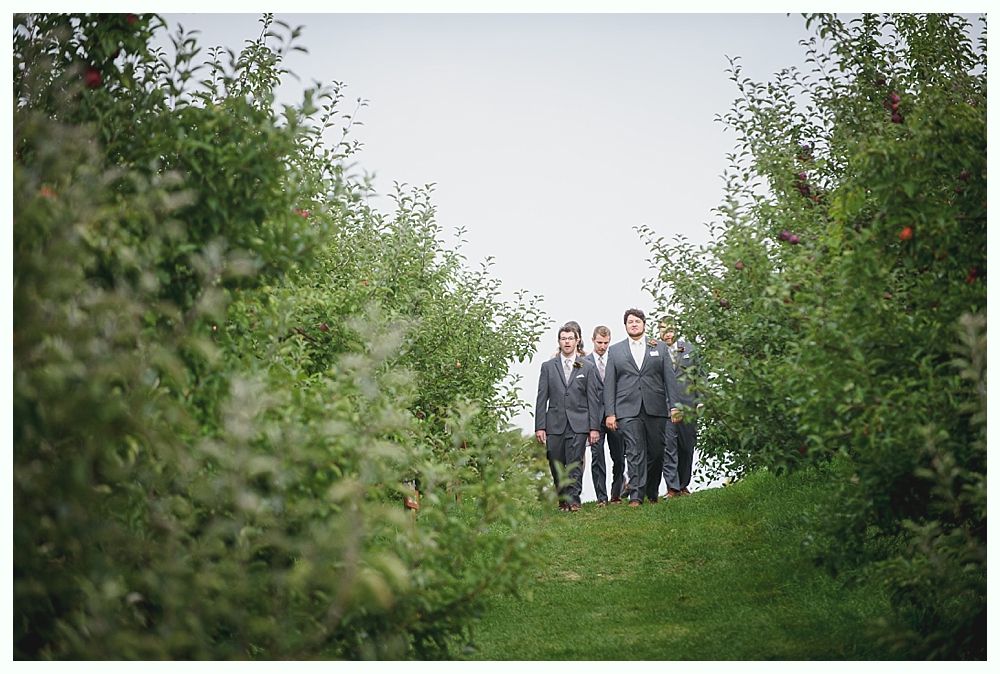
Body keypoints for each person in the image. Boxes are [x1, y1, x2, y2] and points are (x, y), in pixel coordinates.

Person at [603, 308, 681, 506]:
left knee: (656, 451)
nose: (634, 324)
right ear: (625, 326)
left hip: (655, 407)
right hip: (627, 409)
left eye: (637, 321)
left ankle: (652, 491)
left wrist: (674, 406)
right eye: (630, 322)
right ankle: (636, 495)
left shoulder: (660, 347)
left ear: (644, 324)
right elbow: (610, 384)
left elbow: (669, 380)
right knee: (634, 451)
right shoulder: (616, 350)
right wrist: (610, 413)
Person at [535, 324, 601, 512]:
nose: (567, 342)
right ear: (559, 341)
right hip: (554, 423)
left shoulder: (586, 367)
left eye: (570, 338)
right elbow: (541, 397)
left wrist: (594, 427)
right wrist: (539, 427)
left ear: (577, 340)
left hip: (579, 423)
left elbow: (592, 399)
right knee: (556, 462)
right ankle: (562, 498)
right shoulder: (548, 367)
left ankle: (574, 500)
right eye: (563, 338)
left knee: (574, 463)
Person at [585, 325, 626, 505]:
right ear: (593, 340)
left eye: (606, 343)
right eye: (600, 342)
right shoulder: (583, 362)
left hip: (614, 415)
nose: (603, 346)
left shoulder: (615, 359)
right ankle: (601, 498)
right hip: (593, 418)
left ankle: (616, 494)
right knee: (597, 457)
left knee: (618, 455)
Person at [660, 322, 703, 496]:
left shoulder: (690, 349)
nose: (668, 334)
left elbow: (700, 375)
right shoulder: (656, 351)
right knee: (668, 446)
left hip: (688, 406)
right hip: (664, 406)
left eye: (670, 330)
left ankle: (683, 484)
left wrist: (701, 400)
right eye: (664, 331)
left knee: (686, 446)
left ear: (676, 330)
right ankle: (672, 487)